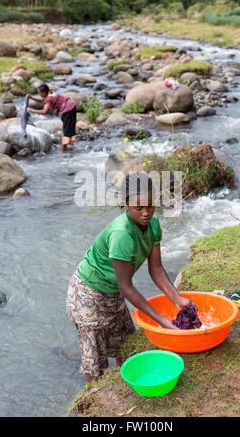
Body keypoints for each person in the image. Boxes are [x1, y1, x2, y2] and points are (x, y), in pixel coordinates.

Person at [66, 172, 194, 384]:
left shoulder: (152, 225)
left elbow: (157, 268)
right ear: (125, 205)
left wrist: (177, 299)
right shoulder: (122, 234)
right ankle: (92, 403)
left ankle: (127, 384)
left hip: (113, 289)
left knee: (126, 344)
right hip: (88, 291)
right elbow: (126, 287)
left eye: (151, 206)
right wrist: (161, 320)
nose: (146, 213)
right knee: (95, 359)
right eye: (139, 208)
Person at [27, 84, 77, 151]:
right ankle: (68, 144)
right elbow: (41, 100)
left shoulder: (49, 98)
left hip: (68, 109)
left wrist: (32, 110)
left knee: (67, 128)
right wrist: (32, 98)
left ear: (44, 92)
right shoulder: (50, 92)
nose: (39, 94)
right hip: (71, 105)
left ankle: (63, 146)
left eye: (39, 92)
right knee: (69, 126)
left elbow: (44, 111)